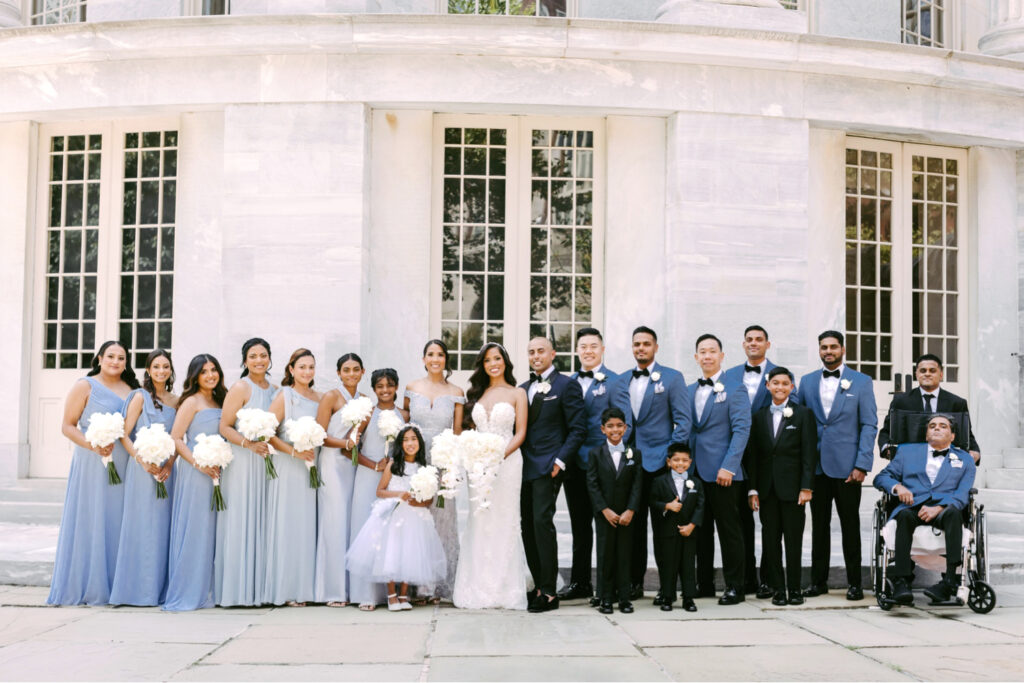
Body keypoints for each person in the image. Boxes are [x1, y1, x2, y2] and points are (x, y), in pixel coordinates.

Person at [48, 341, 139, 606]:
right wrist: (93, 445)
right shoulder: (84, 385)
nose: (115, 361)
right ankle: (88, 584)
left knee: (117, 519)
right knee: (92, 517)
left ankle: (117, 585)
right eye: (110, 356)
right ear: (99, 358)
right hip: (91, 461)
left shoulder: (132, 390)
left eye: (121, 358)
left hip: (123, 461)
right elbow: (67, 426)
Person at [613, 326, 691, 600]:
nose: (641, 348)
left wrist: (671, 458)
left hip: (660, 464)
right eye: (637, 344)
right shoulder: (620, 380)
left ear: (656, 347)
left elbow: (683, 421)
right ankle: (634, 584)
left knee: (664, 529)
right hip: (630, 465)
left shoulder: (672, 378)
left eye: (646, 344)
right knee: (632, 529)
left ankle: (667, 587)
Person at [798, 331, 877, 601]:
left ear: (843, 348)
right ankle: (818, 582)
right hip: (817, 467)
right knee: (818, 527)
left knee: (850, 526)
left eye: (833, 347)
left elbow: (869, 424)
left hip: (848, 468)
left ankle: (854, 583)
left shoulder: (861, 381)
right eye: (823, 347)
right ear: (819, 350)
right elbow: (802, 423)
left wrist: (862, 464)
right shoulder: (807, 382)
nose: (828, 351)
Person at [722, 324, 797, 599]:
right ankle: (744, 578)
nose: (754, 343)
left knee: (769, 524)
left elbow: (792, 409)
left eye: (759, 340)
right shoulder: (728, 375)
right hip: (733, 454)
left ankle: (768, 579)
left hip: (768, 456)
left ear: (768, 344)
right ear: (743, 344)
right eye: (749, 340)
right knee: (740, 520)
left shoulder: (781, 375)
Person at [453, 343, 529, 610]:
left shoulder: (518, 393)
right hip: (478, 466)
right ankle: (477, 585)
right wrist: (474, 457)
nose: (493, 364)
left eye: (497, 358)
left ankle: (505, 587)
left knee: (504, 518)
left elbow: (520, 433)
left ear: (505, 361)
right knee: (480, 520)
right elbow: (466, 431)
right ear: (482, 365)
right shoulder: (477, 393)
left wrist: (498, 457)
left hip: (507, 463)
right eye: (487, 360)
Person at [874, 414, 977, 605]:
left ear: (952, 436)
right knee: (903, 515)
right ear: (926, 432)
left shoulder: (965, 460)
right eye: (932, 426)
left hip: (944, 509)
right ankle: (902, 581)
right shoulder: (906, 452)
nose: (936, 428)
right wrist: (898, 487)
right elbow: (881, 478)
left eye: (943, 426)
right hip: (913, 506)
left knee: (954, 513)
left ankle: (949, 582)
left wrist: (939, 507)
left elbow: (963, 493)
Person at [519, 336, 587, 613]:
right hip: (523, 467)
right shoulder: (522, 389)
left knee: (541, 523)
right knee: (527, 526)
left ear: (553, 353)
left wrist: (560, 461)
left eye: (541, 351)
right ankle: (537, 584)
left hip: (549, 465)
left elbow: (578, 429)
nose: (536, 356)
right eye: (531, 351)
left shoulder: (566, 385)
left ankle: (549, 592)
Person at [347, 425, 446, 611]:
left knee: (410, 552)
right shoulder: (394, 464)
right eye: (406, 440)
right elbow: (380, 491)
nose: (410, 443)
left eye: (414, 439)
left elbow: (430, 498)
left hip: (415, 516)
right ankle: (391, 595)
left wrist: (421, 501)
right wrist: (399, 494)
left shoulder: (424, 468)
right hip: (395, 514)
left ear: (420, 443)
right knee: (391, 551)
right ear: (400, 444)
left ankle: (404, 595)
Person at [110, 349, 178, 607]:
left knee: (162, 528)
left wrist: (169, 463)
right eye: (156, 367)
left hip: (167, 472)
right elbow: (124, 434)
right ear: (148, 370)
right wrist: (142, 460)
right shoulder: (139, 396)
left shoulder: (176, 401)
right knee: (141, 526)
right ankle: (136, 591)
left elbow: (177, 436)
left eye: (166, 367)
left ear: (171, 370)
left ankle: (158, 590)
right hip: (142, 469)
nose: (162, 371)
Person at [744, 367, 817, 606]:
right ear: (768, 386)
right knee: (770, 540)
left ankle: (794, 588)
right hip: (766, 490)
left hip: (794, 489)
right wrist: (753, 489)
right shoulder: (758, 416)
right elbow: (753, 457)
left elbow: (809, 454)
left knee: (793, 540)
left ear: (792, 387)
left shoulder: (804, 414)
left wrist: (806, 487)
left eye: (785, 383)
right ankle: (778, 589)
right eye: (775, 383)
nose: (780, 387)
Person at [689, 334, 751, 605]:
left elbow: (741, 430)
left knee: (729, 531)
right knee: (700, 531)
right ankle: (703, 584)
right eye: (702, 352)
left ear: (722, 356)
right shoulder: (689, 389)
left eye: (712, 351)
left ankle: (735, 586)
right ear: (696, 357)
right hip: (695, 472)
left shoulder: (736, 388)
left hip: (725, 473)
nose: (707, 356)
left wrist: (729, 466)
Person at [216, 337, 277, 607]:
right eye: (253, 356)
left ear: (270, 358)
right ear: (244, 361)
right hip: (243, 460)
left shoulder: (276, 390)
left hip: (267, 461)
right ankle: (238, 591)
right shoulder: (241, 387)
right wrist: (249, 444)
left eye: (263, 355)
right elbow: (225, 427)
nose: (259, 360)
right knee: (242, 518)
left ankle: (260, 589)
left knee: (264, 519)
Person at [403, 339, 465, 602]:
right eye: (430, 354)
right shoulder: (411, 387)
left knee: (442, 523)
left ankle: (440, 586)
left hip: (442, 463)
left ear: (445, 359)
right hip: (414, 462)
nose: (435, 359)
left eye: (440, 354)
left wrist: (452, 467)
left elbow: (458, 431)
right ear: (423, 358)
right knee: (416, 522)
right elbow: (403, 424)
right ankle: (417, 586)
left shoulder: (456, 391)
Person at [562, 327, 619, 605]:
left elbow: (623, 423)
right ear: (576, 351)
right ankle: (580, 582)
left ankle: (605, 587)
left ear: (602, 349)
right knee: (579, 526)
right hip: (574, 464)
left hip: (603, 463)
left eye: (593, 346)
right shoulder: (567, 381)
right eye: (583, 346)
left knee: (605, 526)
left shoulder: (615, 381)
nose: (588, 351)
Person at [164, 354, 226, 612]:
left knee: (215, 529)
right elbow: (177, 438)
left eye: (214, 370)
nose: (210, 375)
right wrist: (199, 463)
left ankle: (213, 587)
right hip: (196, 470)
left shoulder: (222, 399)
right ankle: (190, 588)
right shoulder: (191, 401)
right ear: (195, 376)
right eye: (204, 372)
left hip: (220, 470)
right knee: (197, 527)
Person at [264, 348, 322, 607]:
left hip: (311, 465)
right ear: (291, 370)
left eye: (311, 367)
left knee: (307, 524)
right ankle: (287, 589)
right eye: (302, 367)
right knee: (289, 524)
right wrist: (294, 451)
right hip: (289, 465)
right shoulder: (284, 395)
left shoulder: (320, 398)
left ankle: (305, 588)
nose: (307, 372)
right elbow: (268, 432)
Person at [349, 368, 408, 610]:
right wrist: (374, 465)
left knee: (391, 535)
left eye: (390, 385)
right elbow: (349, 448)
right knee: (367, 532)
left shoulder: (404, 414)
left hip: (393, 481)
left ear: (396, 387)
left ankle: (390, 593)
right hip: (367, 477)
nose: (385, 390)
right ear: (373, 389)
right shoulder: (366, 414)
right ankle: (366, 594)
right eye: (380, 386)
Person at [314, 352, 365, 607]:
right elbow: (319, 434)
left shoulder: (366, 400)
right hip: (332, 463)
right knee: (334, 522)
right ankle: (333, 590)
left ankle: (353, 588)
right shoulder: (331, 397)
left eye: (356, 369)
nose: (352, 374)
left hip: (353, 465)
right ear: (339, 373)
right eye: (346, 370)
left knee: (351, 523)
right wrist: (346, 442)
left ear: (363, 372)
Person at [585, 407, 642, 615]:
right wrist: (604, 510)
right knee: (605, 555)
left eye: (619, 426)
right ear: (602, 429)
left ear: (626, 428)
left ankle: (625, 599)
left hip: (626, 515)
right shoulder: (595, 454)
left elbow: (637, 485)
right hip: (605, 515)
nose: (615, 430)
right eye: (610, 426)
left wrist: (631, 510)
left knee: (625, 555)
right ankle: (606, 598)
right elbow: (592, 484)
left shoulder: (634, 454)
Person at [878, 353, 980, 464]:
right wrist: (886, 449)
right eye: (923, 371)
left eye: (932, 371)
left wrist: (975, 451)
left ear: (941, 374)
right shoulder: (901, 402)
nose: (927, 374)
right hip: (910, 463)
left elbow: (967, 435)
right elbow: (887, 432)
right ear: (916, 374)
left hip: (945, 463)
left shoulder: (957, 403)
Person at [650, 443, 704, 612]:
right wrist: (667, 506)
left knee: (688, 565)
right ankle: (667, 597)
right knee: (669, 565)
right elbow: (653, 502)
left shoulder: (696, 482)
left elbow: (700, 506)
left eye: (684, 460)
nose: (680, 464)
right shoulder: (659, 481)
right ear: (668, 462)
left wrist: (692, 525)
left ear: (690, 462)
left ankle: (688, 598)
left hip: (688, 531)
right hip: (668, 531)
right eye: (676, 460)